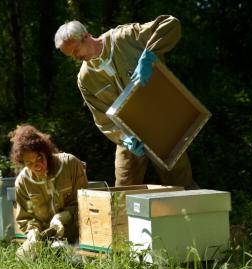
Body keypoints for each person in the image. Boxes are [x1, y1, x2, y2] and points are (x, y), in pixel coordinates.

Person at [54, 15, 197, 189]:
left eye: (76, 51)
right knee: (123, 190)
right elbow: (102, 117)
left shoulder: (124, 37)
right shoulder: (85, 79)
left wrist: (149, 55)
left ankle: (199, 215)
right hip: (129, 135)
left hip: (161, 122)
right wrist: (124, 138)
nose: (75, 57)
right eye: (70, 55)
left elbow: (171, 24)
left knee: (181, 183)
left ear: (85, 36)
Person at [9, 124, 89, 260]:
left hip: (77, 233)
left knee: (79, 259)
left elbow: (85, 203)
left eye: (39, 158)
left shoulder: (70, 164)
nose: (37, 166)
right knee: (21, 258)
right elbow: (25, 218)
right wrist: (32, 232)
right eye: (29, 163)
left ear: (46, 152)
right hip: (45, 238)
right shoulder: (22, 182)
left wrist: (64, 216)